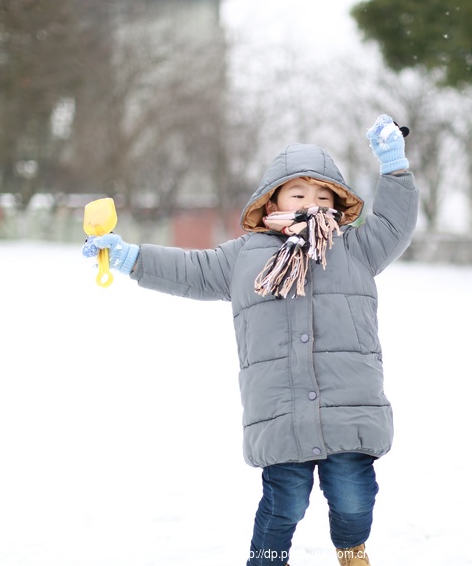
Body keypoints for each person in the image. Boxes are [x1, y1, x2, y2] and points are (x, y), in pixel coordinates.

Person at [82, 114, 418, 566]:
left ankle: (351, 548)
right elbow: (190, 270)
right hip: (281, 412)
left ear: (339, 202)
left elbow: (396, 224)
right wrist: (130, 257)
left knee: (354, 499)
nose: (310, 202)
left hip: (349, 407)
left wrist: (394, 166)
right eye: (298, 193)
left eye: (323, 195)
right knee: (284, 507)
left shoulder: (354, 247)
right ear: (272, 198)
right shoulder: (243, 257)